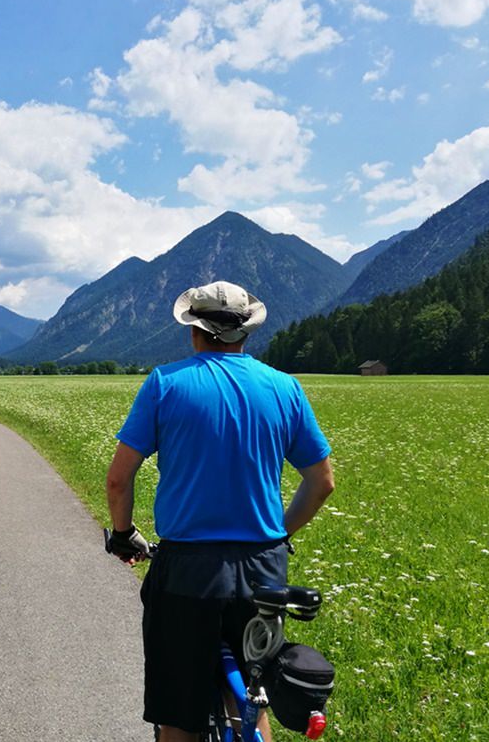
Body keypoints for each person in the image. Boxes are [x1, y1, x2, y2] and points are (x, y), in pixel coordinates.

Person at [105, 281, 335, 742]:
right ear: (246, 333)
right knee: (255, 694)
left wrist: (123, 532)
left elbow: (118, 478)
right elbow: (321, 482)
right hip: (265, 570)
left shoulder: (166, 383)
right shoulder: (284, 387)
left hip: (189, 570)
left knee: (178, 713)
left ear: (194, 330)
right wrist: (278, 532)